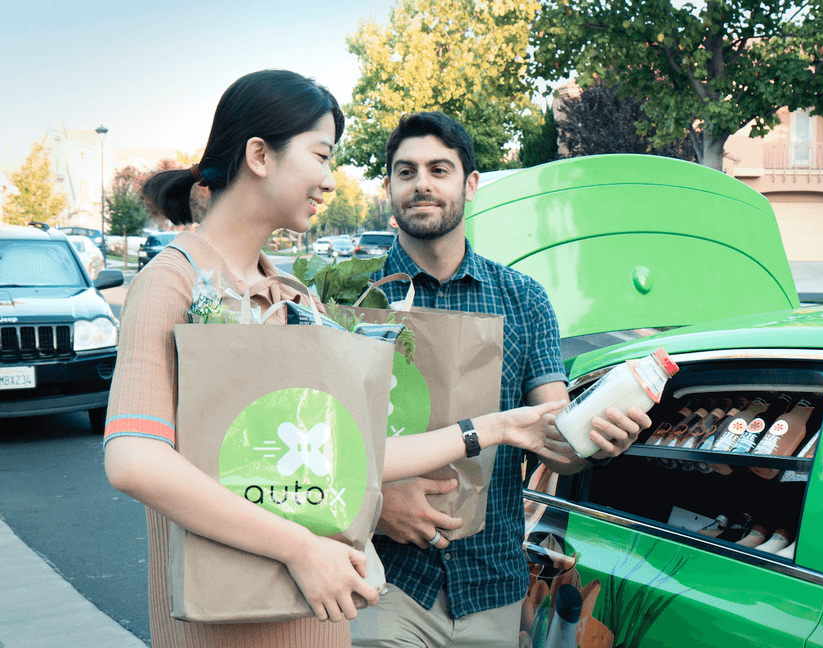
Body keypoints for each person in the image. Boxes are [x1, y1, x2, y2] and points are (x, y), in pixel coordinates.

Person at [102, 71, 565, 648]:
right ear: (259, 156)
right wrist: (300, 547)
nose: (329, 179)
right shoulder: (173, 281)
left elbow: (352, 449)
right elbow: (135, 460)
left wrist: (496, 427)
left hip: (316, 619)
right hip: (228, 624)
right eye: (321, 156)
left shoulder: (291, 295)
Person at [349, 111, 653, 648]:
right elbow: (321, 443)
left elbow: (555, 438)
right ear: (389, 187)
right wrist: (373, 506)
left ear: (470, 185)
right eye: (406, 171)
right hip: (383, 581)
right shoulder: (353, 297)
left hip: (493, 584)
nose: (421, 184)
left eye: (439, 170)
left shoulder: (523, 299)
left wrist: (595, 440)